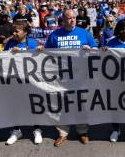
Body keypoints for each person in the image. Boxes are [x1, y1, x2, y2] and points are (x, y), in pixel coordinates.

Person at [44, 9, 97, 147]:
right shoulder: (54, 35)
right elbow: (46, 53)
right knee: (61, 105)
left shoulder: (84, 33)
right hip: (61, 76)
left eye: (74, 17)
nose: (72, 20)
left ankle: (82, 131)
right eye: (69, 18)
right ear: (63, 19)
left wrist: (89, 49)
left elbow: (96, 49)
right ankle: (62, 133)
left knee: (81, 103)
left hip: (81, 76)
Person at [4, 22, 44, 145]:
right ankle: (16, 130)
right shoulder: (10, 44)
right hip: (15, 81)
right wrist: (10, 52)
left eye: (17, 31)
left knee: (33, 105)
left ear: (25, 32)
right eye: (13, 31)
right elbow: (2, 60)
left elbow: (42, 60)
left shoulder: (32, 43)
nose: (14, 34)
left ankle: (37, 129)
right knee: (15, 106)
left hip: (31, 81)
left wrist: (41, 51)